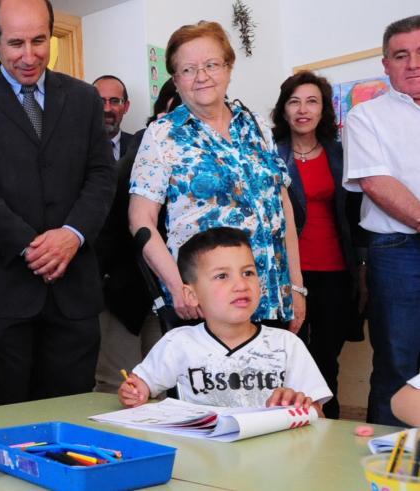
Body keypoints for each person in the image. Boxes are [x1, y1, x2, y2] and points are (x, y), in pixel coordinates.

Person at [0, 0, 115, 407]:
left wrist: (71, 236)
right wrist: (32, 245)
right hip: (4, 295)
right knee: (6, 422)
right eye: (16, 43)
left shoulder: (84, 99)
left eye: (39, 41)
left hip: (73, 294)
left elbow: (102, 175)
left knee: (74, 417)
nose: (29, 55)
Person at [129, 20, 306, 334]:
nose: (201, 77)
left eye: (211, 64)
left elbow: (283, 209)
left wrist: (296, 286)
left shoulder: (257, 127)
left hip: (272, 296)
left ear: (228, 68)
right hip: (208, 304)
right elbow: (140, 220)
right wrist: (176, 287)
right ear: (175, 78)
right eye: (188, 69)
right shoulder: (162, 135)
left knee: (279, 384)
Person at [119, 227, 331, 414]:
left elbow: (318, 414)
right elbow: (142, 386)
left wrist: (303, 406)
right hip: (202, 452)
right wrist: (134, 391)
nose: (240, 284)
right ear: (191, 295)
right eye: (222, 276)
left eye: (248, 273)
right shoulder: (178, 343)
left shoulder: (286, 344)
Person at [270, 71, 368, 419]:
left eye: (312, 101)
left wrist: (361, 267)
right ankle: (282, 423)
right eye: (294, 101)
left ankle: (328, 427)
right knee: (282, 359)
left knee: (326, 358)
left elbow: (356, 216)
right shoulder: (271, 155)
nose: (302, 109)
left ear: (323, 109)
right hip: (286, 273)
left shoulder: (340, 154)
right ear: (283, 110)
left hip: (335, 270)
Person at [343, 15, 420, 426]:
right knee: (398, 362)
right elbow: (375, 182)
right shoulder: (365, 117)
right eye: (401, 55)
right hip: (399, 252)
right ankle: (383, 470)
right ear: (386, 64)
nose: (413, 64)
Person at [94, 79, 180, 394]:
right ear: (163, 114)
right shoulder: (146, 147)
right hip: (126, 284)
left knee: (164, 384)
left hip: (174, 290)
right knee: (120, 384)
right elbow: (114, 221)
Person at [92, 75, 134, 160]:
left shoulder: (139, 146)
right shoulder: (77, 148)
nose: (107, 109)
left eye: (115, 101)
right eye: (100, 101)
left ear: (126, 107)